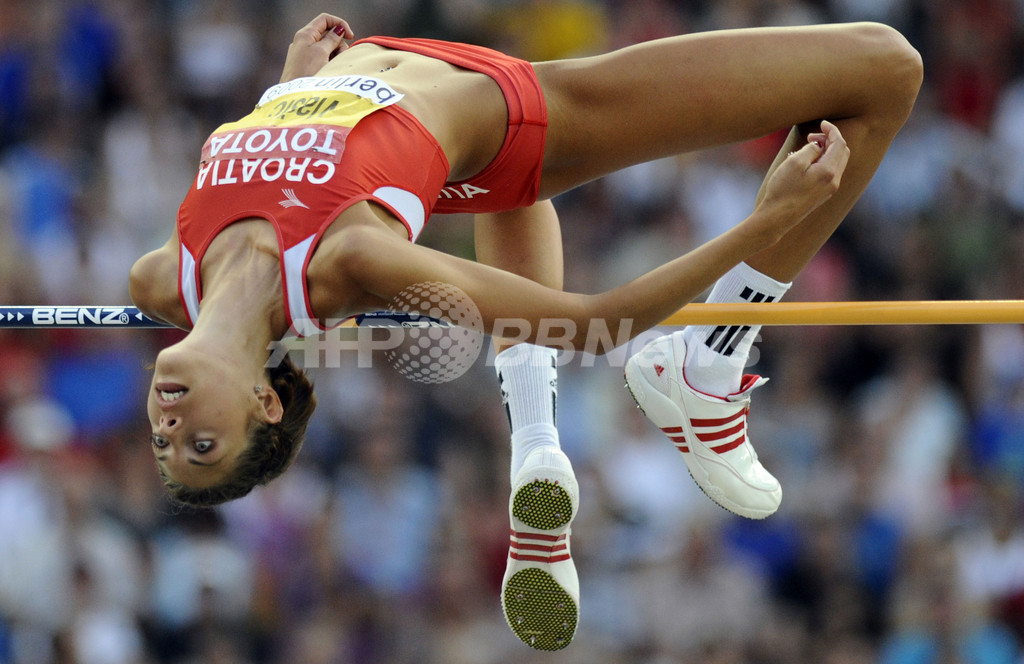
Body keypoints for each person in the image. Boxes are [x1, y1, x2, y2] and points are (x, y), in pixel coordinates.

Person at [129, 12, 922, 650]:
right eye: (202, 445)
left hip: (391, 75)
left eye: (164, 444)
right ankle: (708, 366)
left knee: (505, 202)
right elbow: (594, 325)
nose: (170, 429)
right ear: (265, 405)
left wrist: (291, 86)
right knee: (883, 68)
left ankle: (536, 437)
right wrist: (770, 221)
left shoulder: (165, 277)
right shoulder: (342, 259)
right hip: (516, 114)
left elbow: (278, 168)